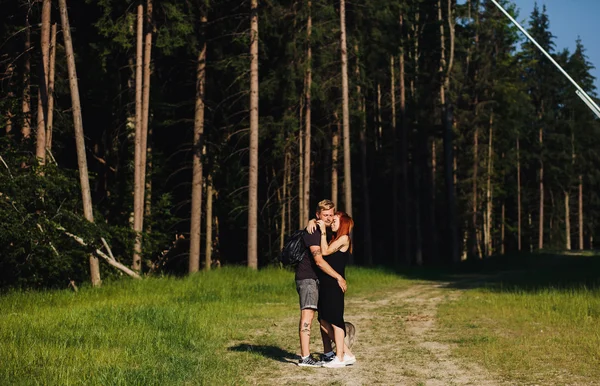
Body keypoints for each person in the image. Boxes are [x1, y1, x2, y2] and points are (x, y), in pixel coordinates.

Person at [295, 199, 347, 367]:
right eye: (325, 215)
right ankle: (305, 357)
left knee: (322, 318)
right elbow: (318, 261)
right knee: (307, 315)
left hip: (318, 280)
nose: (329, 217)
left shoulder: (326, 230)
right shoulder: (313, 232)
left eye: (331, 214)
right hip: (308, 278)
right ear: (318, 215)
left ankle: (328, 353)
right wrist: (338, 277)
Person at [316, 211, 356, 368]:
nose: (332, 222)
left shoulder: (344, 238)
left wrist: (323, 231)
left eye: (336, 220)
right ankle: (348, 354)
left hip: (335, 285)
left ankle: (339, 357)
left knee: (335, 320)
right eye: (331, 220)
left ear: (343, 223)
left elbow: (324, 251)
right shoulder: (334, 239)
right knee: (324, 322)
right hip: (326, 284)